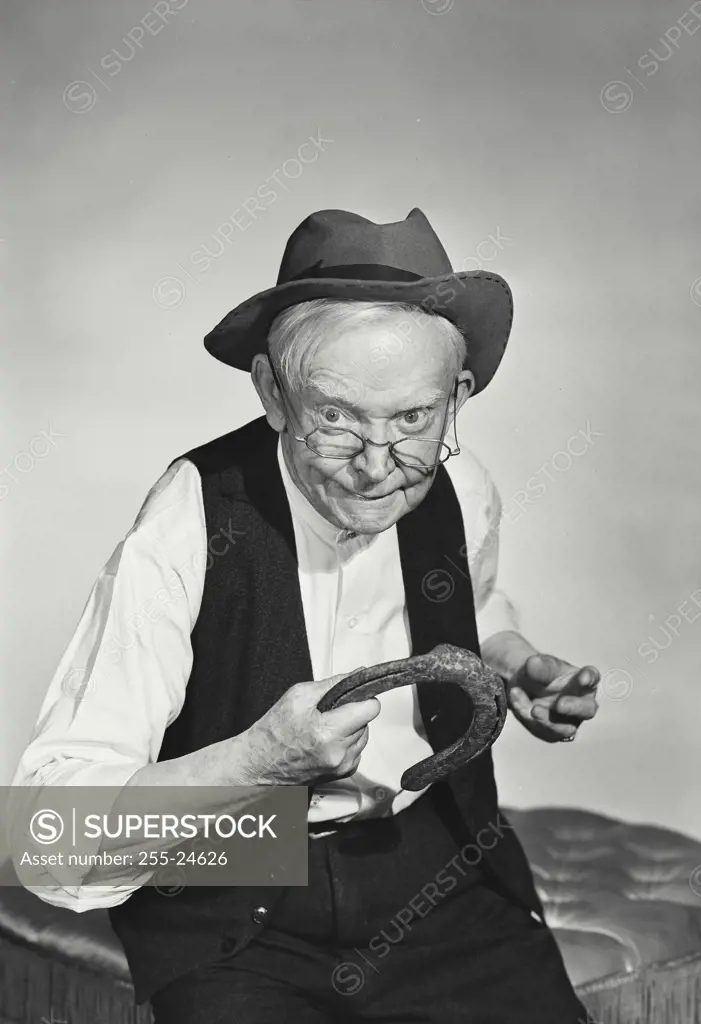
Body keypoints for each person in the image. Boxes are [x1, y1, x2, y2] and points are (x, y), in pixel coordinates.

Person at [12, 208, 600, 1023]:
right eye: (334, 417)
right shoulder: (188, 517)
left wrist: (510, 660)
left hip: (436, 875)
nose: (373, 467)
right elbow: (48, 839)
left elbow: (469, 602)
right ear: (272, 394)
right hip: (233, 885)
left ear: (455, 399)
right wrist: (258, 762)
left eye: (411, 420)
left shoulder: (466, 491)